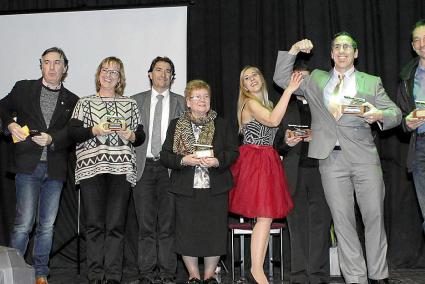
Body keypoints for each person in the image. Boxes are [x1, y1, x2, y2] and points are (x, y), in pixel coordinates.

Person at [273, 32, 402, 284]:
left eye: (347, 47)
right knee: (342, 222)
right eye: (337, 47)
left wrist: (378, 114)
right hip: (330, 160)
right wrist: (293, 49)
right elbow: (280, 79)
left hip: (364, 158)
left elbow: (395, 113)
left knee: (373, 217)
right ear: (331, 54)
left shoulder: (370, 82)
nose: (342, 51)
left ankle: (378, 275)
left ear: (356, 53)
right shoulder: (315, 79)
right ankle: (355, 277)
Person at [0, 47, 78, 284]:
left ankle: (40, 272)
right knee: (24, 224)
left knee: (47, 226)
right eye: (47, 62)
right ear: (41, 65)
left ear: (65, 68)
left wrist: (53, 139)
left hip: (55, 170)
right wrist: (9, 125)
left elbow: (72, 133)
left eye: (57, 63)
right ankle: (15, 269)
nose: (52, 67)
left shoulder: (73, 100)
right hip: (27, 167)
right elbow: (2, 107)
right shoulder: (23, 88)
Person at [69, 56, 145, 284]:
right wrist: (95, 129)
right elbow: (73, 133)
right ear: (98, 73)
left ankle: (112, 276)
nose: (109, 75)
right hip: (91, 169)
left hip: (120, 169)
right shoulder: (84, 103)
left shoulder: (129, 104)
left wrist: (129, 134)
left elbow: (140, 136)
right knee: (93, 225)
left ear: (120, 78)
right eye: (105, 70)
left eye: (114, 72)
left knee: (115, 225)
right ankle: (95, 276)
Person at [160, 79, 239, 284]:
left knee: (214, 233)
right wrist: (183, 160)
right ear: (188, 101)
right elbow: (165, 155)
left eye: (206, 96)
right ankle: (194, 276)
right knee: (187, 234)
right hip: (186, 188)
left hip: (215, 188)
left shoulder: (222, 124)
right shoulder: (176, 125)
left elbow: (233, 153)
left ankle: (210, 276)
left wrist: (217, 161)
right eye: (197, 97)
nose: (202, 100)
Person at [229, 66, 302, 284]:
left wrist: (286, 142)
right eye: (246, 78)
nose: (251, 80)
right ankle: (256, 271)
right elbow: (272, 120)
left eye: (254, 76)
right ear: (243, 86)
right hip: (255, 161)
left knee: (266, 218)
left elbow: (272, 133)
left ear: (261, 78)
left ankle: (256, 270)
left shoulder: (267, 103)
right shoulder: (250, 103)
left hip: (267, 159)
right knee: (264, 216)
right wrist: (289, 90)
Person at [274, 62, 332, 284]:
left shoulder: (326, 105)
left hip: (322, 170)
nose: (300, 81)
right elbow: (276, 144)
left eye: (304, 77)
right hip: (294, 172)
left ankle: (318, 275)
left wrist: (315, 136)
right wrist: (287, 143)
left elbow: (338, 137)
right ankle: (298, 275)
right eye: (296, 77)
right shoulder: (284, 107)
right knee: (296, 225)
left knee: (321, 223)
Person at [131, 56, 186, 284]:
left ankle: (167, 274)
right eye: (158, 70)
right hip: (144, 167)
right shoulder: (135, 101)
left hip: (170, 169)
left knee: (167, 224)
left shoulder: (182, 102)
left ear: (172, 77)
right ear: (150, 74)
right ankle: (145, 273)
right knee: (145, 225)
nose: (163, 74)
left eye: (167, 71)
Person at [396, 19, 425, 233]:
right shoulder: (407, 77)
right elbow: (401, 117)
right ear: (413, 45)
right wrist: (407, 123)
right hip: (420, 148)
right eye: (417, 40)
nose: (421, 43)